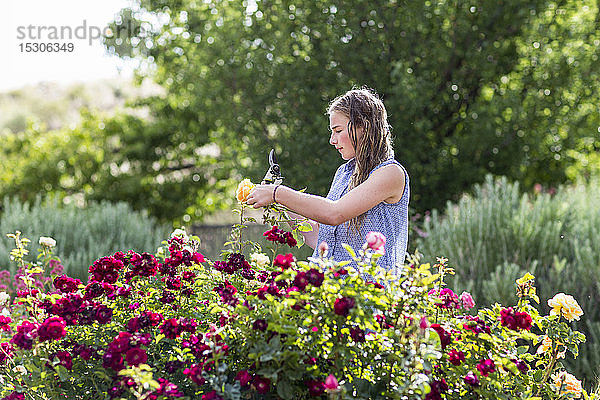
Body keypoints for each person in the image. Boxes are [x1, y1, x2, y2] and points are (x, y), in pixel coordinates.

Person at [246, 87, 409, 273]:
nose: (332, 140)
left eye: (338, 130)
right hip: (329, 292)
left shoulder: (390, 173)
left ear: (363, 126)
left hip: (367, 296)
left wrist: (277, 193)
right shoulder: (344, 173)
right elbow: (322, 239)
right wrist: (281, 204)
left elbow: (334, 214)